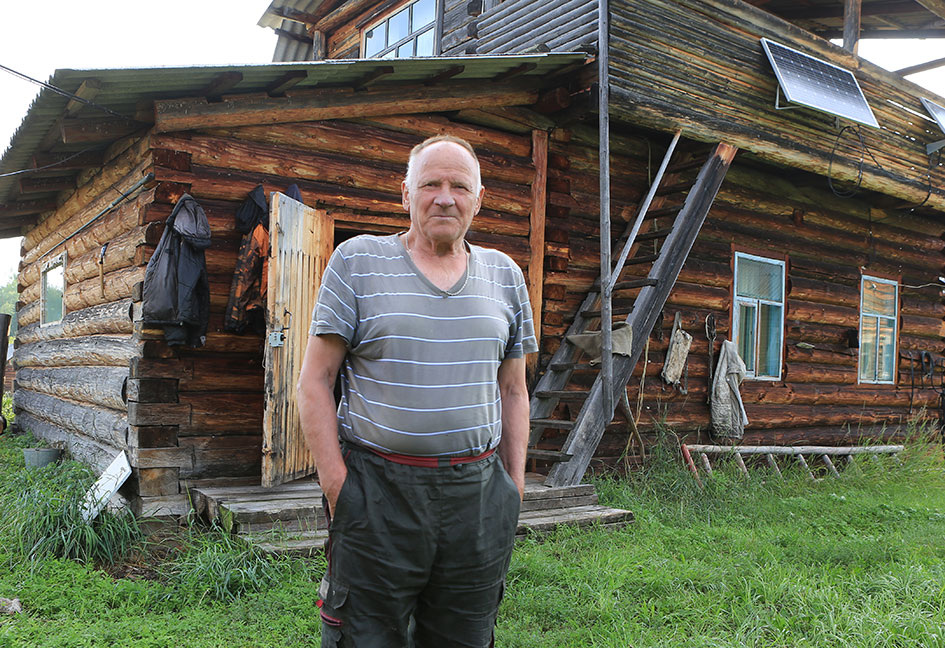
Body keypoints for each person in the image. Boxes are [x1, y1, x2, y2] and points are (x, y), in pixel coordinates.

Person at [296, 134, 537, 647]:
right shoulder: (357, 262)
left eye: (459, 186)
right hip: (377, 490)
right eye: (430, 184)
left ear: (479, 197)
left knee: (466, 636)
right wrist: (341, 489)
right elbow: (314, 383)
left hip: (478, 496)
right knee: (364, 636)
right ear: (406, 195)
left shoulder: (506, 275)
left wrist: (511, 490)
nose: (444, 197)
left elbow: (514, 391)